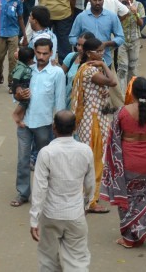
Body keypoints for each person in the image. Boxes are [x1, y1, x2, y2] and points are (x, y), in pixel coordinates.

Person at [99, 76, 146, 248]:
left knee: (128, 199)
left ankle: (130, 238)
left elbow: (114, 137)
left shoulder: (122, 112)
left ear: (132, 93)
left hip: (129, 161)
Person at [29, 110, 95, 271]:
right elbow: (90, 184)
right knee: (78, 261)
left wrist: (34, 219)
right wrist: (86, 205)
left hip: (51, 214)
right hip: (75, 214)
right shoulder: (85, 151)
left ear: (54, 128)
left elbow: (39, 189)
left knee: (48, 260)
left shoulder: (46, 153)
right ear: (75, 128)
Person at [10, 39, 66, 208]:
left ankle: (47, 194)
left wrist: (59, 126)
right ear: (34, 51)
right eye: (38, 53)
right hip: (25, 123)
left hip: (45, 124)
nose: (41, 57)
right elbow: (15, 94)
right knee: (23, 160)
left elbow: (60, 101)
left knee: (46, 161)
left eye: (45, 53)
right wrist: (19, 95)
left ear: (51, 53)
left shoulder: (57, 73)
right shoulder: (27, 70)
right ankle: (23, 192)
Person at [69, 36, 118, 214]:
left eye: (102, 50)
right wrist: (104, 65)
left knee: (92, 159)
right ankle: (90, 200)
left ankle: (86, 198)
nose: (102, 54)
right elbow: (112, 82)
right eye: (98, 51)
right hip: (93, 120)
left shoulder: (85, 68)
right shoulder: (90, 71)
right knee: (94, 160)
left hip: (94, 119)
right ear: (89, 53)